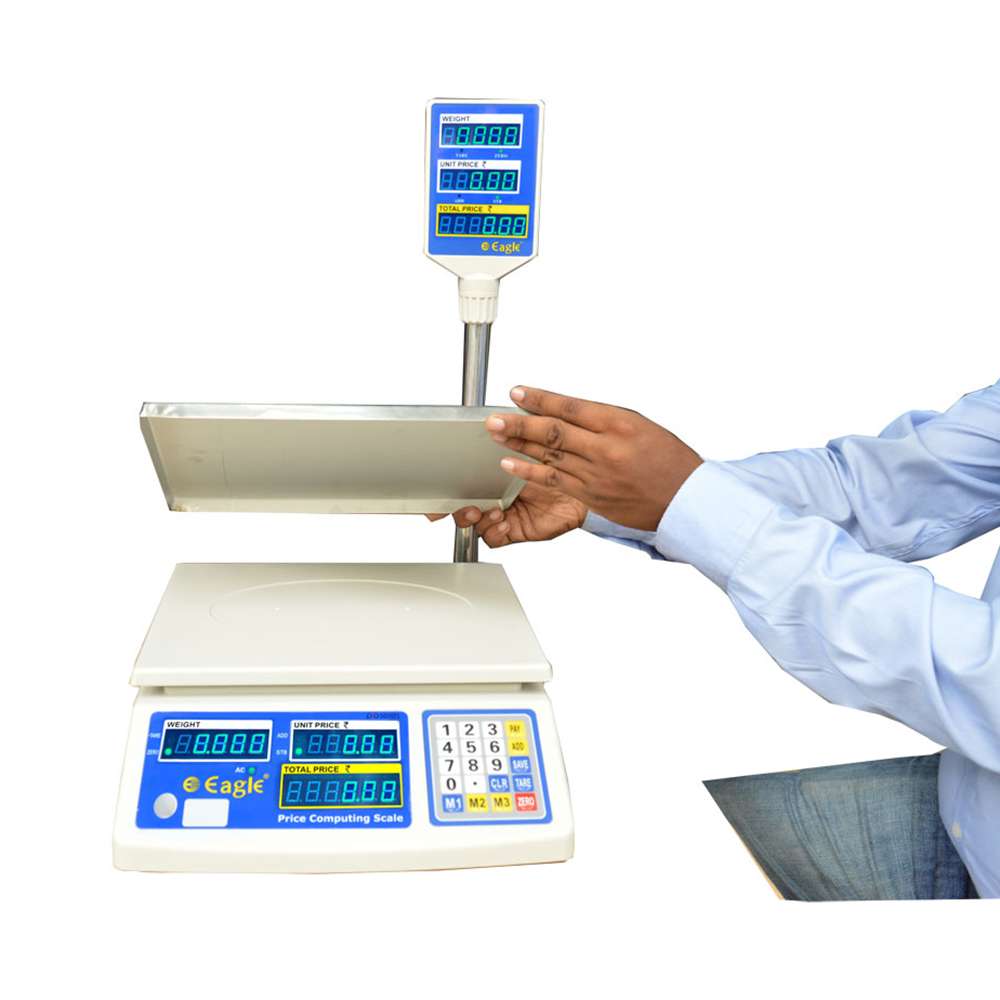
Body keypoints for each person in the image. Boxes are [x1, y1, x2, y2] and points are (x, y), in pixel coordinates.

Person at [444, 382, 1000, 900]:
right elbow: (874, 487)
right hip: (969, 805)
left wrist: (687, 500)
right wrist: (601, 490)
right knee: (636, 849)